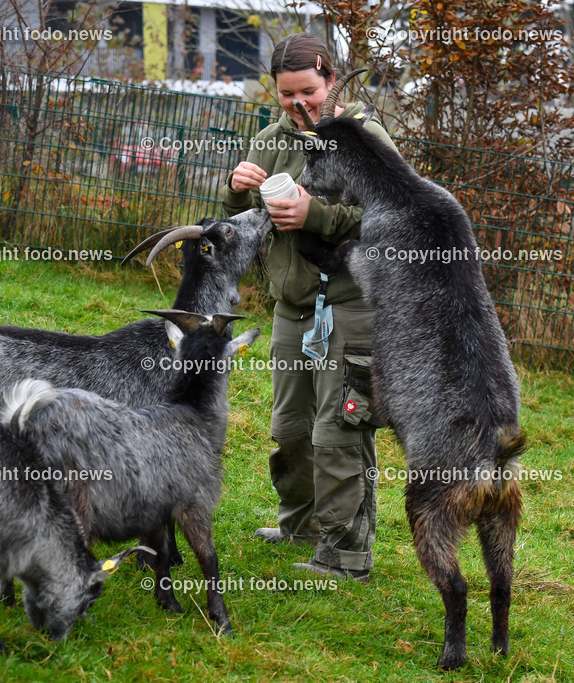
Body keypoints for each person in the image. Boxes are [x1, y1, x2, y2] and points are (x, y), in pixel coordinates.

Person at [220, 33, 397, 581]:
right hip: (291, 309)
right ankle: (300, 525)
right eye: (287, 94)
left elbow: (392, 215)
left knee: (339, 433)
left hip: (350, 306)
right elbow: (237, 223)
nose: (299, 104)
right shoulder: (269, 140)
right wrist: (235, 189)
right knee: (291, 429)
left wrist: (313, 216)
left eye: (309, 92)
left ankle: (347, 555)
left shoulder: (364, 137)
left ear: (331, 79)